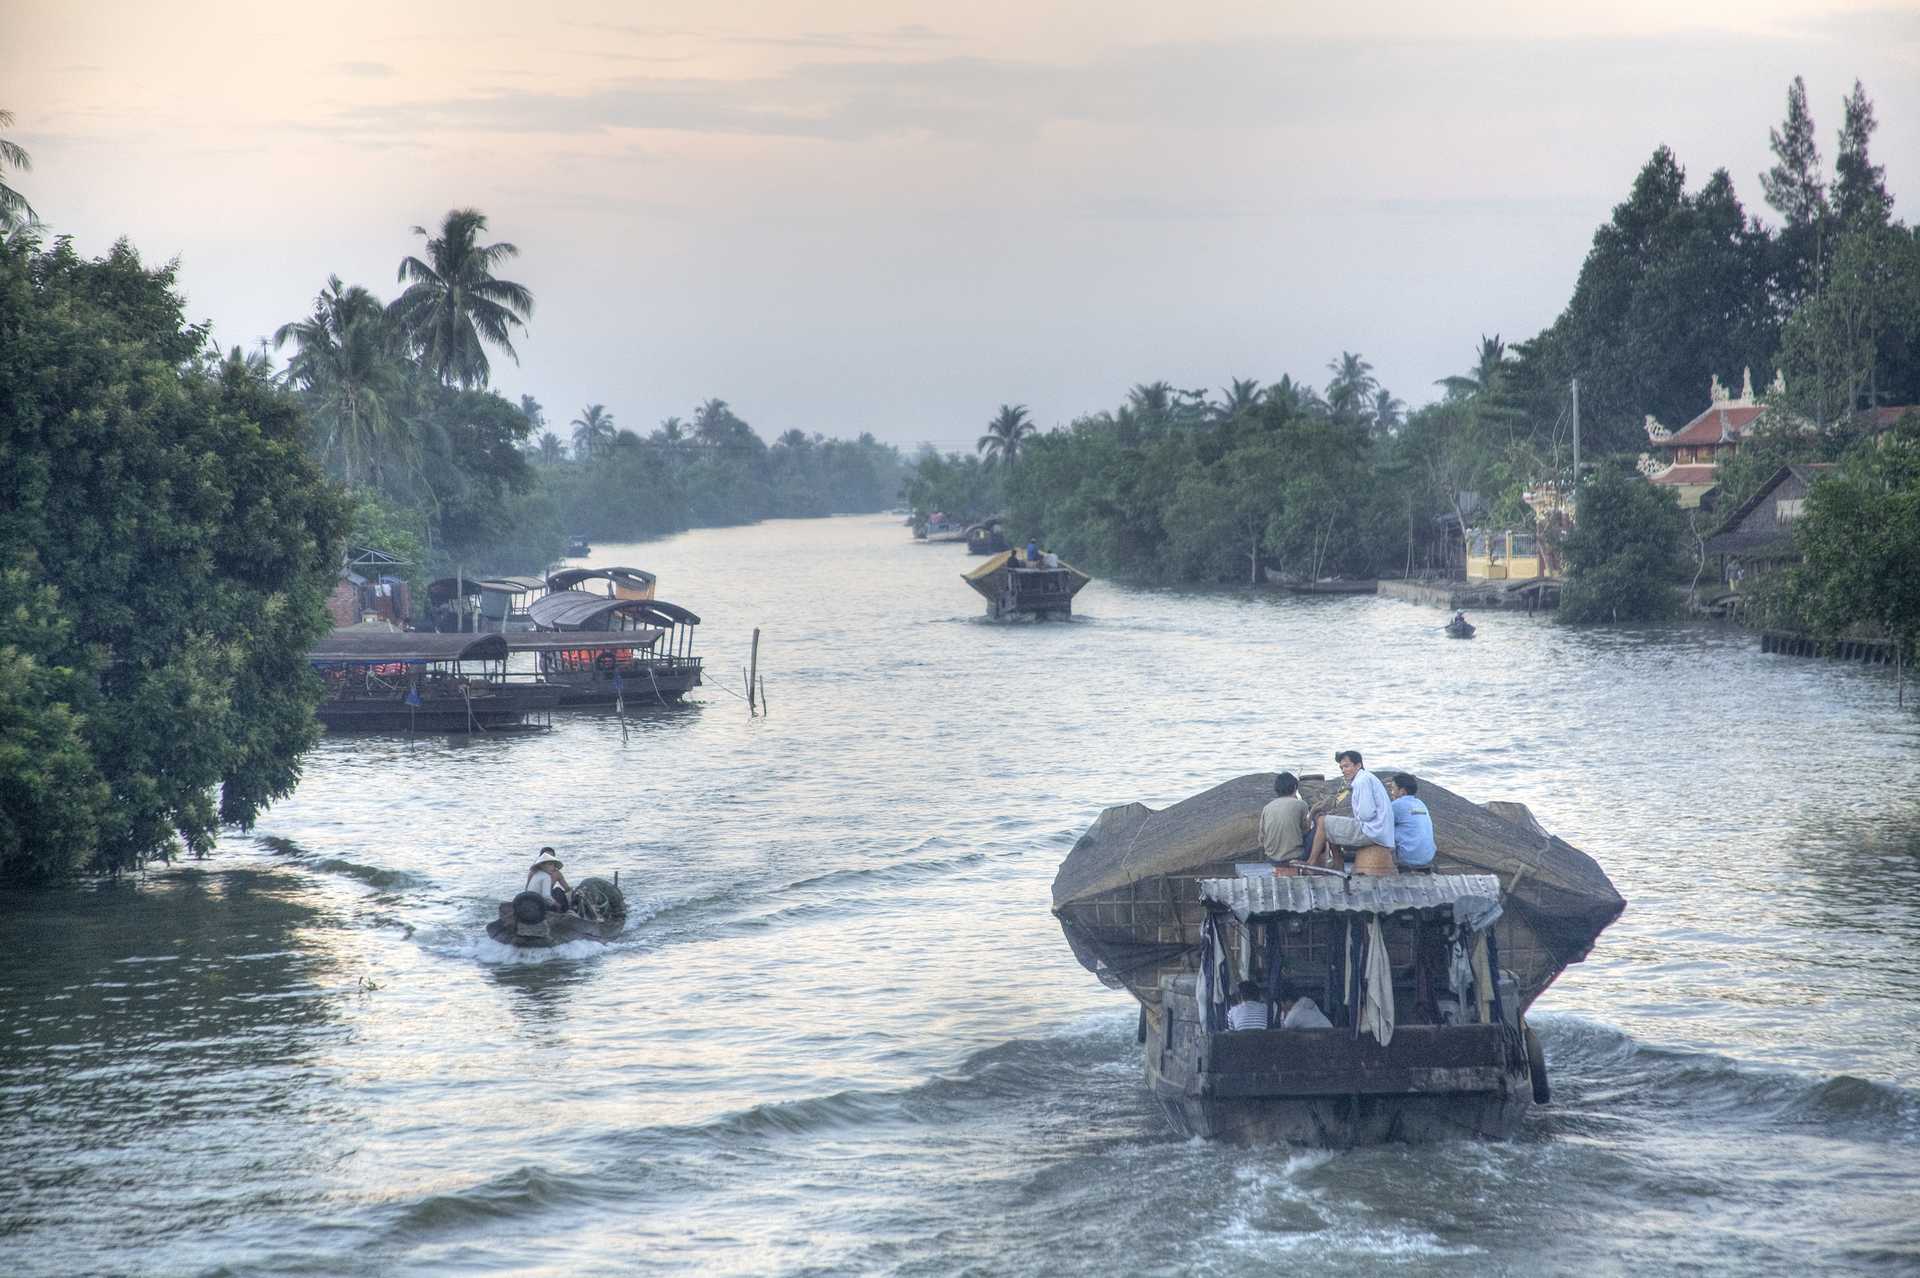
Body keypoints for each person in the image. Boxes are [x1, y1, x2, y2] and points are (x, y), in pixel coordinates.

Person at [1307, 749, 1394, 867]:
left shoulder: (1361, 781)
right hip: (1379, 830)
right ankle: (1338, 863)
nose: (1343, 771)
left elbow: (1366, 814)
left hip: (1372, 832)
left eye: (1347, 766)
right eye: (1341, 768)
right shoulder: (1366, 778)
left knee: (1322, 821)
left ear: (1358, 765)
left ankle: (1311, 863)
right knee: (1332, 822)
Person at [1259, 771, 1311, 866]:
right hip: (1295, 856)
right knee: (1320, 827)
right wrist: (1313, 814)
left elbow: (1261, 838)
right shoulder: (1301, 804)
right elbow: (1306, 830)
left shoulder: (1267, 807)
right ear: (1295, 787)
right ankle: (1313, 863)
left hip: (1272, 858)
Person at [1385, 773, 1436, 869]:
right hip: (1428, 857)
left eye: (1393, 788)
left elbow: (1381, 826)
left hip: (1408, 858)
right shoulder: (1420, 803)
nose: (1391, 792)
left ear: (1402, 791)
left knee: (1380, 834)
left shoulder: (1397, 805)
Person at [525, 848, 573, 913]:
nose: (552, 866)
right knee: (558, 891)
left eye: (552, 863)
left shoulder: (556, 873)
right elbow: (545, 896)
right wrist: (557, 905)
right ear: (542, 864)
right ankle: (564, 912)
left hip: (539, 899)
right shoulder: (536, 873)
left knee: (558, 891)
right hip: (540, 901)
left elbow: (567, 888)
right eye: (549, 864)